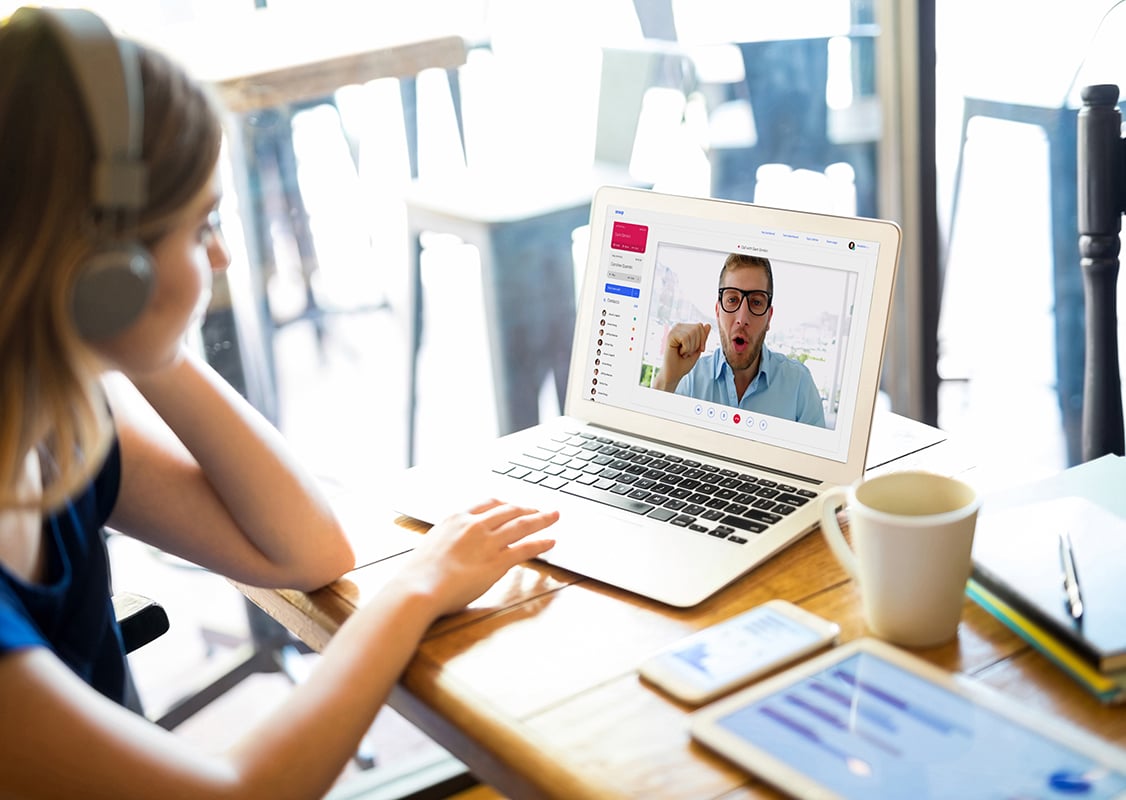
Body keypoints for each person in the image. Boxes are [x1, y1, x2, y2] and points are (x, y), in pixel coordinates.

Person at [0, 8, 558, 799]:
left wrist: (149, 339)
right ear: (105, 268)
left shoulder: (54, 423)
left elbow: (304, 548)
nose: (223, 257)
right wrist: (416, 589)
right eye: (201, 228)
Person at [651, 253, 826, 427]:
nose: (742, 319)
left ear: (769, 318)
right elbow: (654, 438)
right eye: (732, 300)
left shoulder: (799, 385)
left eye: (756, 302)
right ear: (718, 312)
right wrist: (667, 380)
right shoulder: (689, 379)